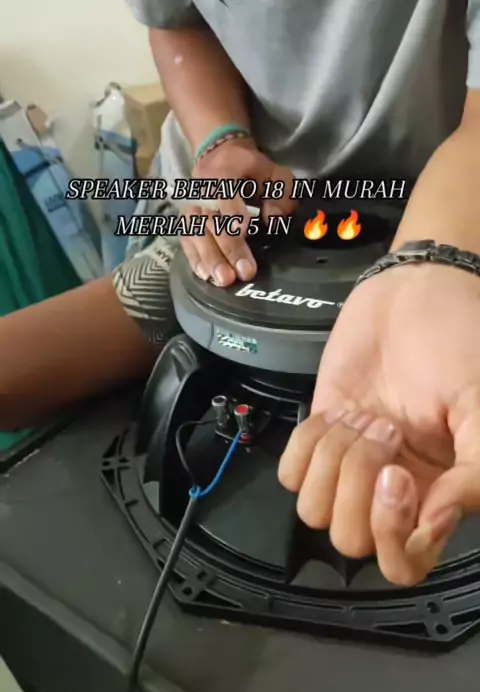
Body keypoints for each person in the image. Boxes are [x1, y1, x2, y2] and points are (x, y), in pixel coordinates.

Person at [3, 1, 480, 589]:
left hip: (447, 210)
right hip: (246, 221)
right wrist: (220, 142)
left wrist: (429, 265)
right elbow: (177, 23)